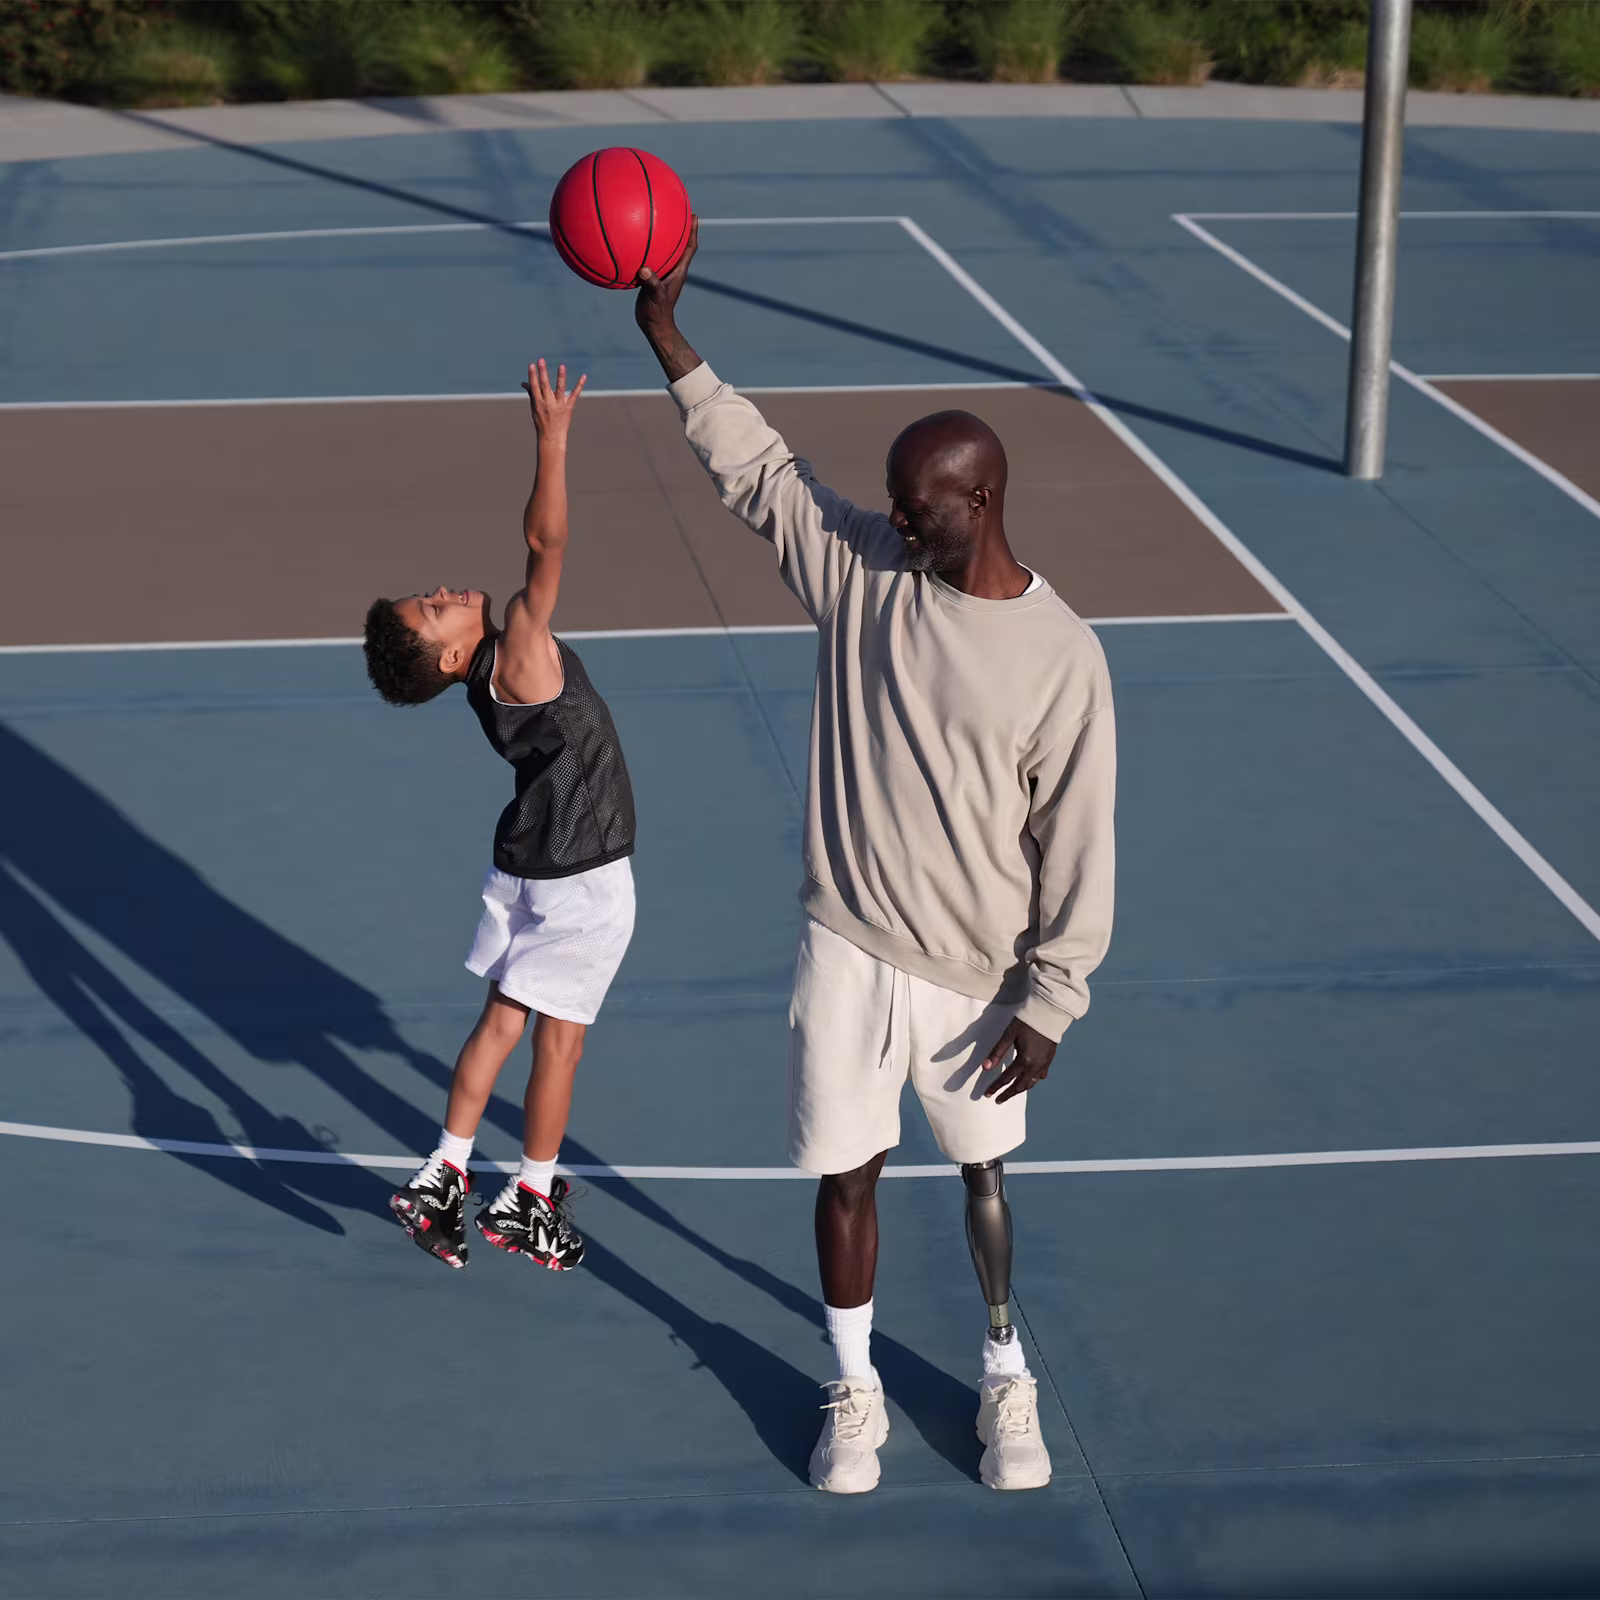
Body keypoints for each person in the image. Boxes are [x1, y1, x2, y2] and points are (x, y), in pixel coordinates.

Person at [635, 224, 1116, 1495]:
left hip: (976, 975)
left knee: (982, 1174)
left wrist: (1052, 1000)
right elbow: (764, 475)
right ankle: (856, 1391)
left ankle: (1004, 1375)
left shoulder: (1063, 655)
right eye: (894, 501)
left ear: (981, 501)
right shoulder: (865, 572)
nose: (895, 517)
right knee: (843, 1173)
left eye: (918, 504)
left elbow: (1076, 842)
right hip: (846, 944)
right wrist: (672, 343)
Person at [361, 359, 636, 1274]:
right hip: (581, 877)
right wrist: (552, 441)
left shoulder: (487, 679)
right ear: (448, 658)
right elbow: (546, 544)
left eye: (431, 593)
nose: (444, 591)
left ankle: (445, 1171)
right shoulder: (519, 647)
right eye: (434, 609)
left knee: (501, 1025)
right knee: (562, 1046)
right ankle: (528, 1197)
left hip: (522, 864)